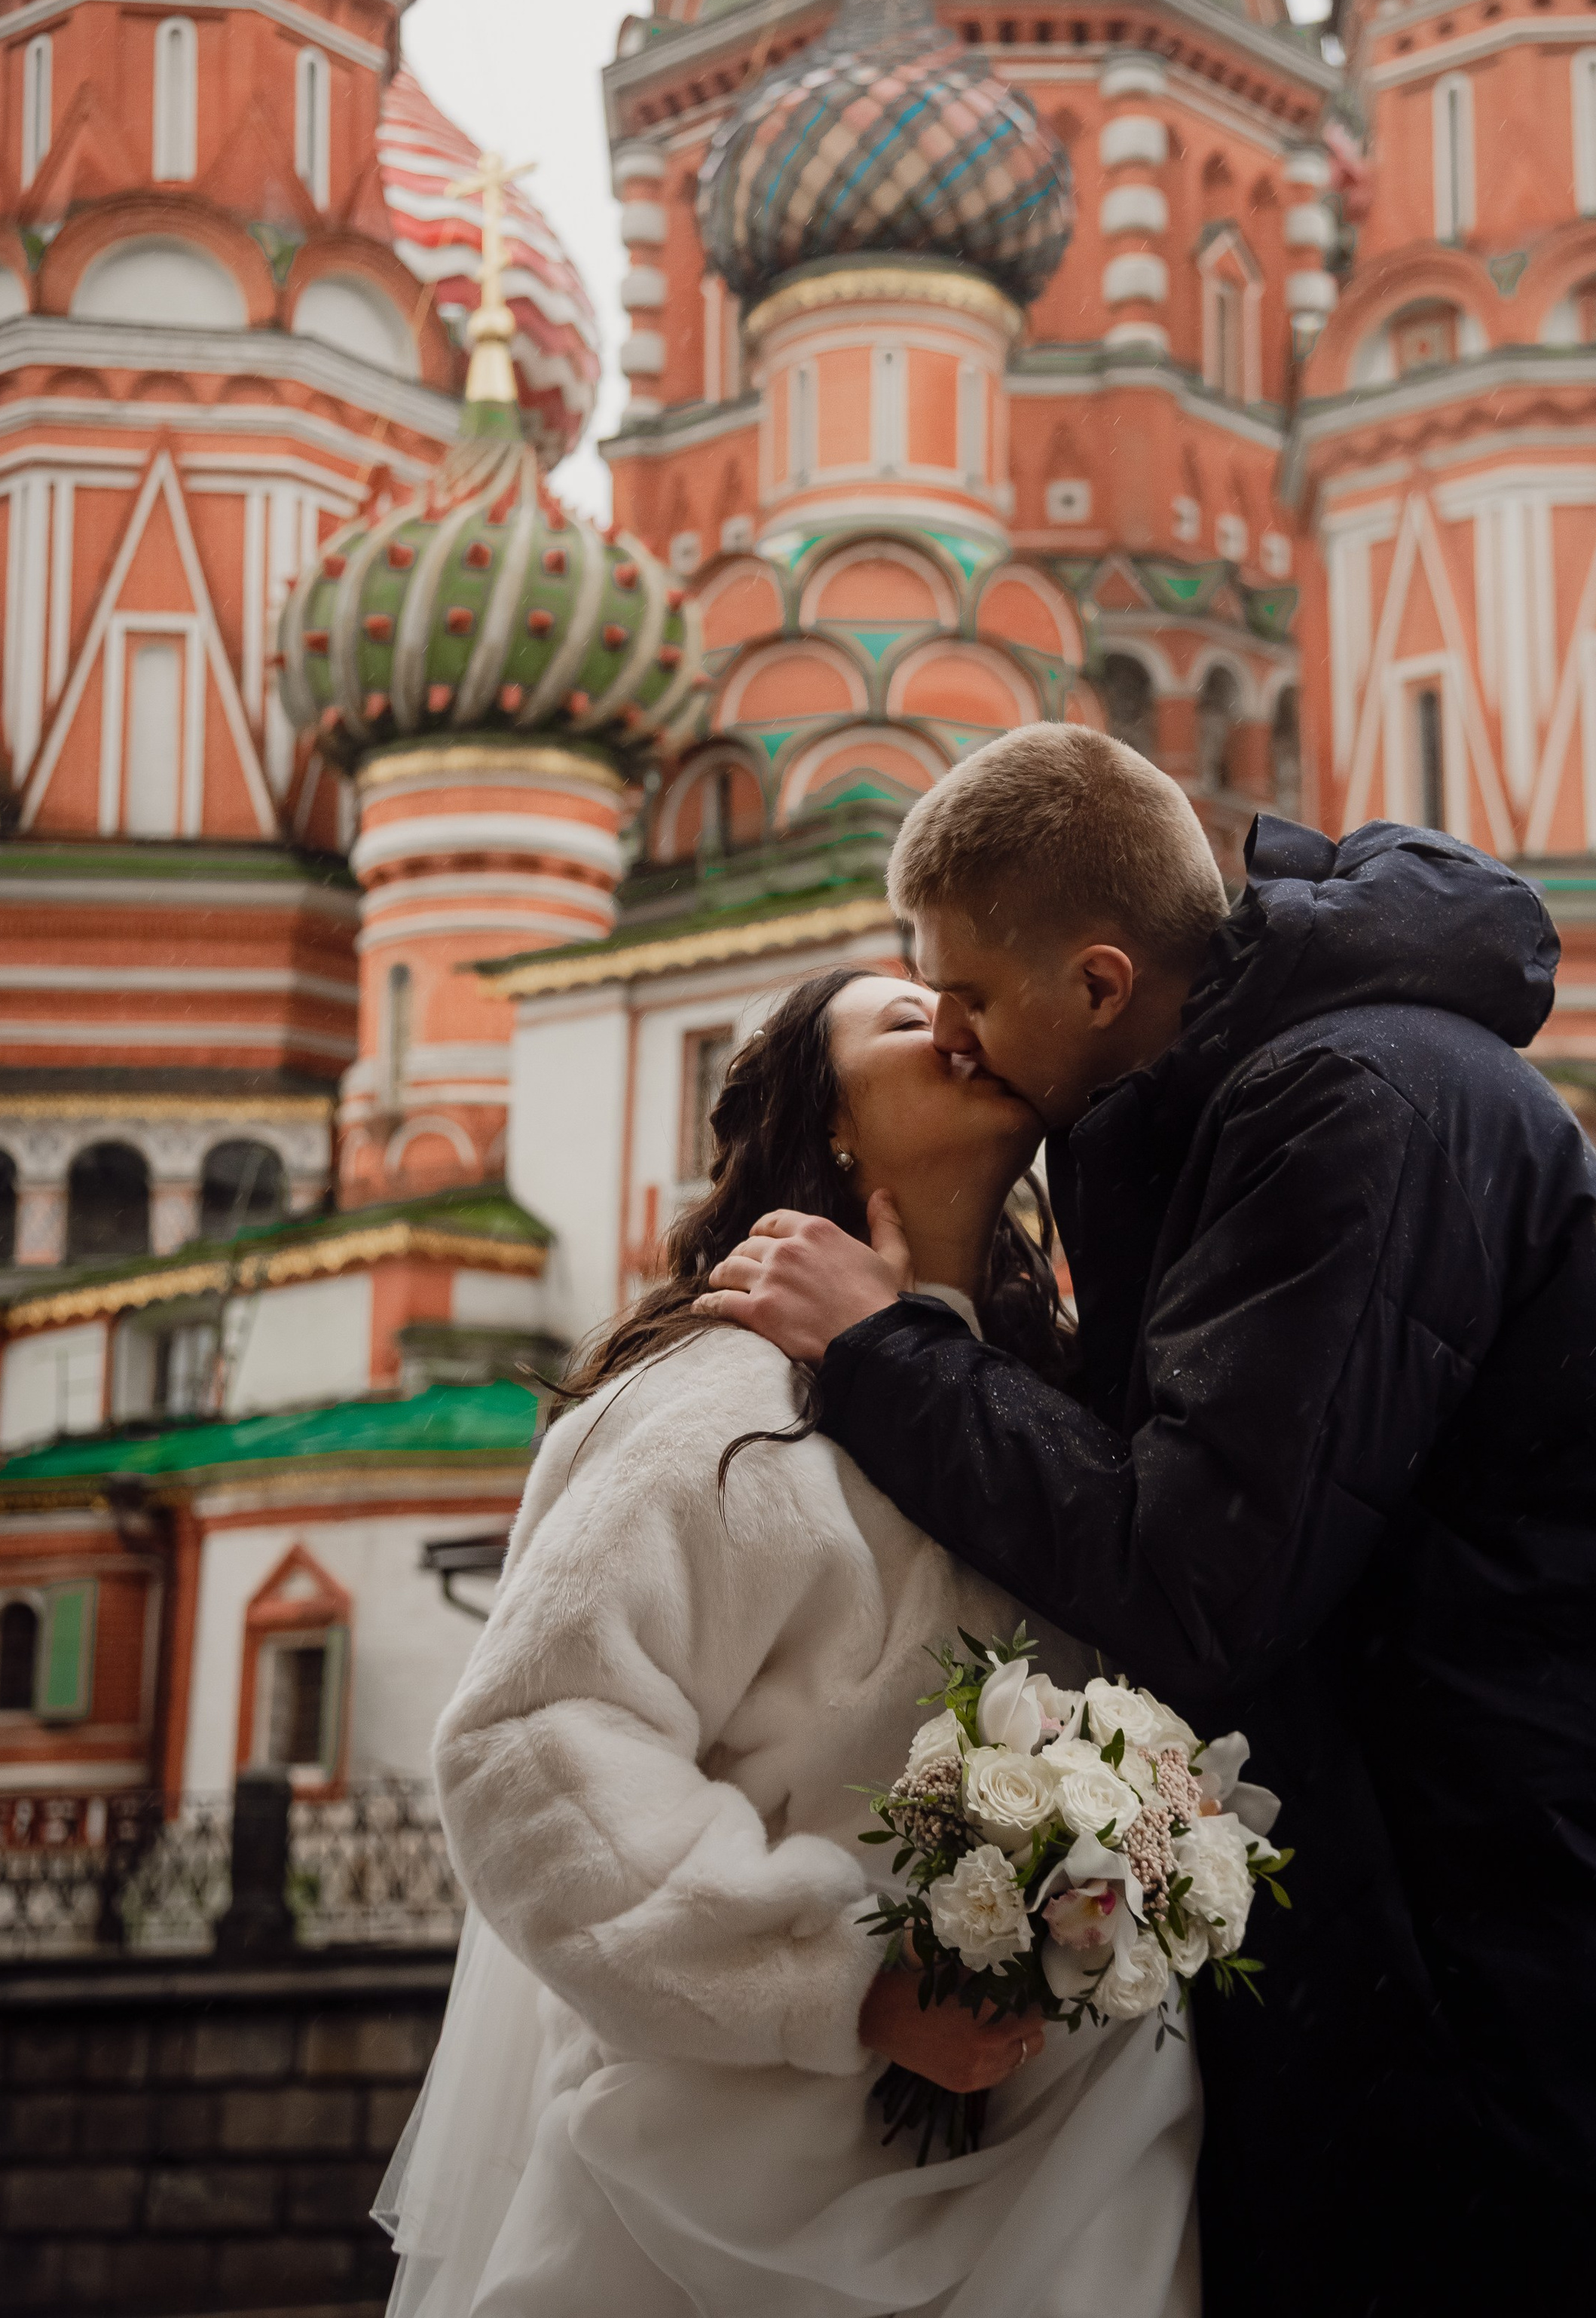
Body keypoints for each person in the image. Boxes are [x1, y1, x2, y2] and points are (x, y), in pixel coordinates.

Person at [700, 723, 1596, 2318]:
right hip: (1473, 1988)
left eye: (972, 998)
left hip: (1528, 2029)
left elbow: (1199, 1574)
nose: (964, 1044)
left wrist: (881, 1346)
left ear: (1103, 981)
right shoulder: (1278, 1093)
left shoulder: (1347, 1100)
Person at [377, 967, 1203, 2318]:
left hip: (1063, 2149)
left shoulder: (1060, 1421)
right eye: (901, 1018)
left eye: (966, 1001)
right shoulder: (728, 1395)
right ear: (828, 1125)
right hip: (740, 2190)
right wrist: (849, 1985)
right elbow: (535, 1742)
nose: (956, 1026)